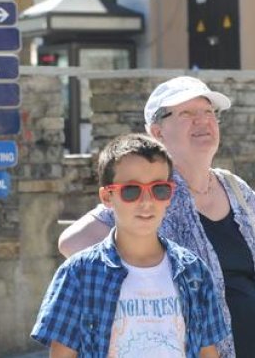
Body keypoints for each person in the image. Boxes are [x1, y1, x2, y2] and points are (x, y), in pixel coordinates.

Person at [58, 76, 255, 358]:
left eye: (209, 112)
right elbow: (71, 242)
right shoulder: (151, 194)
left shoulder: (238, 190)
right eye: (187, 113)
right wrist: (145, 276)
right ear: (157, 132)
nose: (202, 120)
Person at [32, 133, 229, 358]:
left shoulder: (194, 272)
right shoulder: (78, 274)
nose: (147, 202)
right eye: (131, 191)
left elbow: (208, 353)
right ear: (107, 197)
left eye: (159, 189)